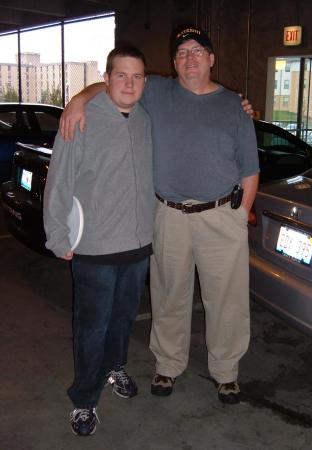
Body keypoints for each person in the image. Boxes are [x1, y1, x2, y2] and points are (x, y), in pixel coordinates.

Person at [59, 26, 259, 406]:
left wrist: (239, 216)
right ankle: (167, 364)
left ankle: (226, 372)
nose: (190, 57)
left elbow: (250, 169)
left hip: (221, 216)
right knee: (168, 295)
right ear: (174, 63)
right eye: (182, 52)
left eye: (198, 50)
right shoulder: (159, 91)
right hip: (168, 215)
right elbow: (118, 82)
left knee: (227, 301)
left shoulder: (235, 105)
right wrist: (78, 100)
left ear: (212, 59)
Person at [43, 46, 153, 436]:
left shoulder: (146, 119)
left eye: (136, 76)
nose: (129, 83)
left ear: (145, 81)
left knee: (123, 319)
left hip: (138, 245)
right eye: (120, 75)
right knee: (92, 326)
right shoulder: (82, 118)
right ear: (105, 79)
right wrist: (58, 235)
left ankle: (115, 367)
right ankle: (85, 399)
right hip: (95, 248)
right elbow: (59, 180)